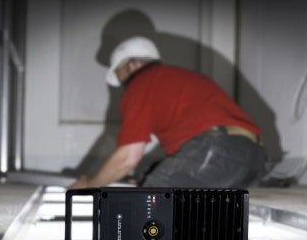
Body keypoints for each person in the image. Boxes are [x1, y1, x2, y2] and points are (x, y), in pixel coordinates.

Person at [70, 36, 267, 190]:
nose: (122, 83)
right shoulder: (178, 79)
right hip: (254, 159)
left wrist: (90, 185)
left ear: (132, 65)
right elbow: (149, 150)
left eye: (119, 73)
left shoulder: (141, 83)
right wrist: (141, 179)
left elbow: (128, 157)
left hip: (215, 152)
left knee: (148, 208)